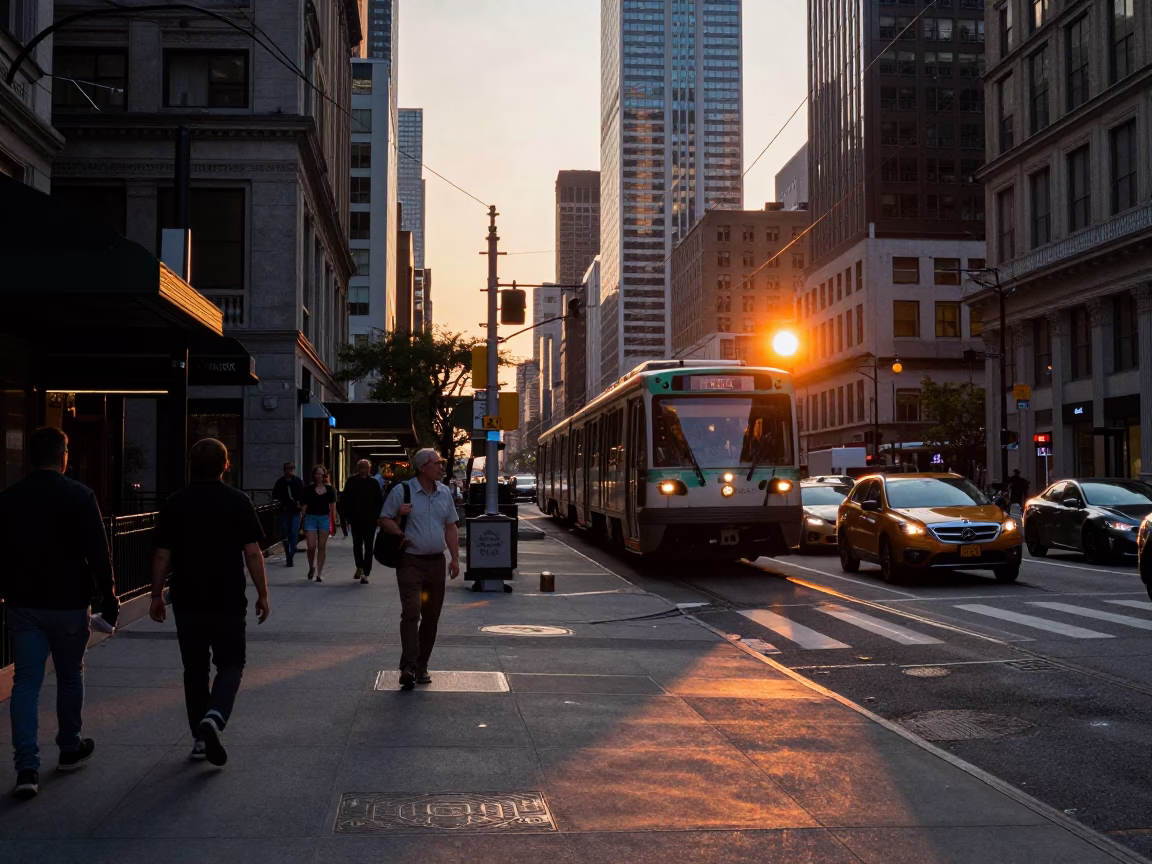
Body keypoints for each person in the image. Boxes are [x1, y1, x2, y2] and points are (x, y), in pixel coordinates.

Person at [0, 427, 118, 800]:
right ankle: (69, 746)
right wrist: (110, 597)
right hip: (68, 602)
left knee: (26, 682)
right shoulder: (80, 496)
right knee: (70, 675)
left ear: (31, 457)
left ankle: (26, 767)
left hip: (22, 603)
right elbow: (99, 552)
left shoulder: (10, 498)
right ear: (62, 455)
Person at [149, 438, 269, 767]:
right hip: (228, 597)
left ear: (192, 464)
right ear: (225, 466)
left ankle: (200, 739)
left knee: (195, 669)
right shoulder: (237, 501)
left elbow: (162, 554)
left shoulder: (175, 503)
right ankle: (214, 718)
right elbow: (252, 553)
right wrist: (263, 593)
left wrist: (156, 594)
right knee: (231, 663)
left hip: (187, 599)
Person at [379, 448, 460, 690]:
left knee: (431, 616)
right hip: (410, 562)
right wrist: (400, 532)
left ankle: (421, 664)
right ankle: (408, 667)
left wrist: (455, 558)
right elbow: (384, 519)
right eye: (437, 463)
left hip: (436, 563)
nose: (441, 467)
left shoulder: (444, 493)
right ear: (423, 467)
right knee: (412, 613)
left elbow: (451, 527)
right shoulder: (402, 491)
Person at [340, 459, 384, 584]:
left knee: (369, 546)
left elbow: (379, 501)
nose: (363, 470)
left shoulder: (374, 483)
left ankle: (366, 572)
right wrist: (348, 516)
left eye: (365, 467)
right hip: (356, 519)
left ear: (369, 469)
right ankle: (359, 565)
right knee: (357, 545)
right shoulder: (352, 481)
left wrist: (377, 517)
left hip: (370, 521)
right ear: (358, 468)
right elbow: (345, 500)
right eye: (361, 467)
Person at [302, 465, 336, 582]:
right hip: (310, 518)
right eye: (318, 473)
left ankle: (319, 573)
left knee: (322, 546)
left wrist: (334, 522)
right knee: (311, 546)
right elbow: (304, 506)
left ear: (325, 475)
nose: (320, 476)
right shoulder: (308, 489)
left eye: (322, 474)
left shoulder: (330, 489)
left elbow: (332, 507)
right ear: (314, 475)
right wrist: (302, 519)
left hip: (324, 518)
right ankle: (312, 567)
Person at [272, 461, 304, 567]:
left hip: (295, 511)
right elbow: (275, 496)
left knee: (294, 533)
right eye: (287, 468)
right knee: (285, 534)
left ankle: (290, 556)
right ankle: (288, 555)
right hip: (284, 511)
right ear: (284, 469)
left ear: (294, 469)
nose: (289, 470)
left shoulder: (298, 482)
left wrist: (300, 505)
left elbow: (303, 496)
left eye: (291, 468)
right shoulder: (280, 483)